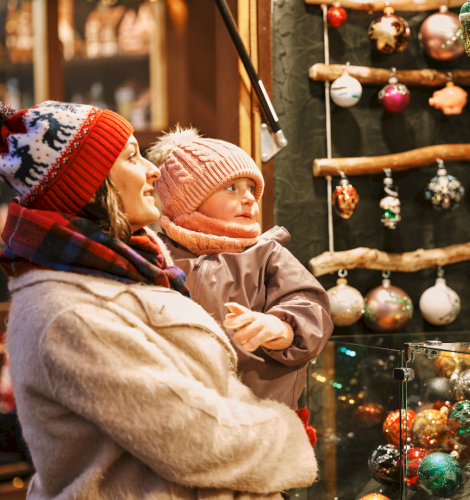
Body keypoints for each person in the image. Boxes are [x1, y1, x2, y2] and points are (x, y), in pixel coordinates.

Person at [0, 101, 317, 499]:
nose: (153, 170)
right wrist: (286, 433)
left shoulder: (133, 268)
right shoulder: (69, 312)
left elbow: (210, 388)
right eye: (132, 157)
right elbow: (192, 437)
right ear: (94, 182)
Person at [147, 127, 333, 410]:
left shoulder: (267, 253)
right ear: (189, 200)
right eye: (231, 188)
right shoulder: (157, 255)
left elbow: (310, 305)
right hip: (177, 412)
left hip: (262, 416)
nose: (248, 198)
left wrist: (282, 327)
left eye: (251, 190)